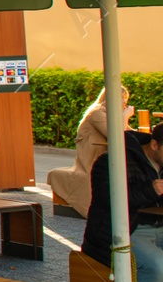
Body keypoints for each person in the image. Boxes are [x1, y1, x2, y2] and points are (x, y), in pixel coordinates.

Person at [82, 125, 163, 282]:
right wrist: (151, 189)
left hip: (158, 226)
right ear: (155, 145)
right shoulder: (112, 161)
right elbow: (108, 198)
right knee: (158, 265)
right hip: (125, 229)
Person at [49, 86, 134, 217]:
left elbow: (129, 133)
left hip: (103, 155)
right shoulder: (97, 113)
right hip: (92, 158)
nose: (124, 102)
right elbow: (117, 135)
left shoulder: (111, 114)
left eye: (125, 98)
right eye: (122, 98)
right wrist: (126, 116)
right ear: (110, 97)